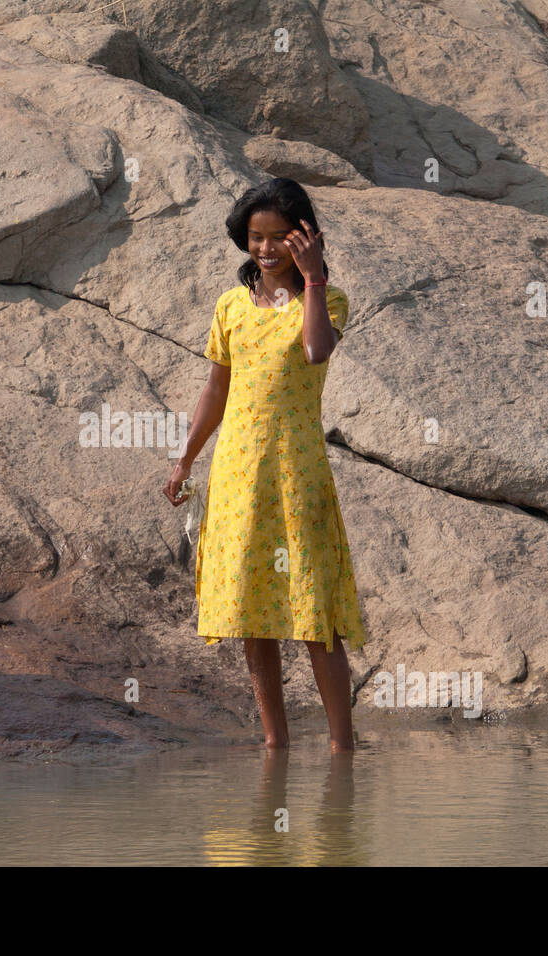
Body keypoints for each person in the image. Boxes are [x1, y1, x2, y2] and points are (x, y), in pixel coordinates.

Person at [164, 178, 368, 753]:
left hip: (296, 470)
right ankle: (275, 747)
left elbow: (316, 351)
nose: (269, 248)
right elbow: (216, 389)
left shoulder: (325, 299)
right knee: (253, 611)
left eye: (282, 237)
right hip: (236, 473)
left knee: (313, 608)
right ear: (244, 239)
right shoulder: (230, 305)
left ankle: (341, 751)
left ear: (305, 236)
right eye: (258, 237)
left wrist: (314, 275)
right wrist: (184, 462)